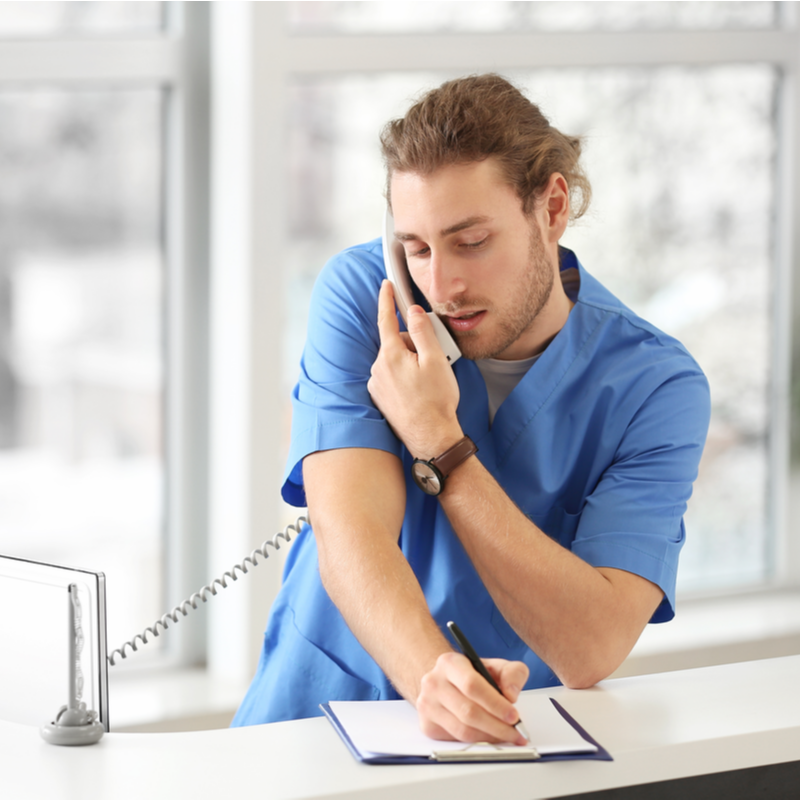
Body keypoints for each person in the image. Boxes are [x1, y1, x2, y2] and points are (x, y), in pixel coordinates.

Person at [231, 74, 710, 744]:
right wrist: (434, 677)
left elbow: (591, 646)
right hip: (308, 724)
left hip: (496, 748)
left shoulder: (656, 386)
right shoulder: (363, 299)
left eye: (471, 241)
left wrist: (441, 443)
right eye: (417, 248)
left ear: (551, 208)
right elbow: (351, 537)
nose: (442, 285)